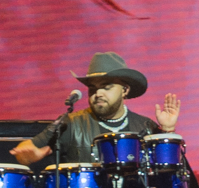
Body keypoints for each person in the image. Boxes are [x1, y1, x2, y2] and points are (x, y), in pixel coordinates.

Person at [10, 52, 180, 165]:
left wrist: (168, 130)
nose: (98, 93)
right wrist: (29, 155)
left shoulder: (145, 126)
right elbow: (27, 148)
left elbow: (170, 169)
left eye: (106, 87)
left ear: (124, 90)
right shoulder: (71, 123)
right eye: (92, 88)